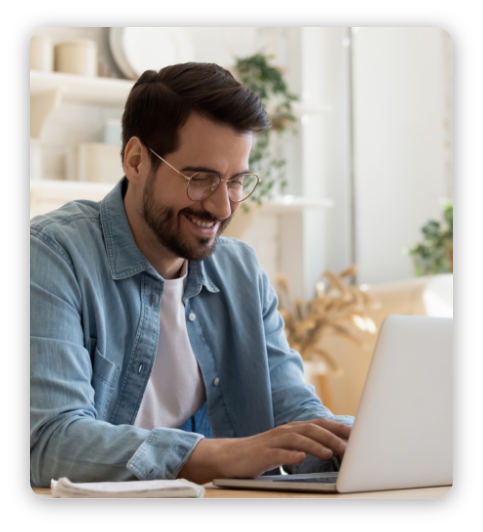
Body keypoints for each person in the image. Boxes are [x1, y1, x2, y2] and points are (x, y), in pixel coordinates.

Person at [30, 62, 354, 487]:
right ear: (136, 160)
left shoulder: (241, 271)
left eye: (236, 181)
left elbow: (292, 409)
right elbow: (51, 443)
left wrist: (353, 444)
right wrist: (219, 455)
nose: (222, 207)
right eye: (201, 179)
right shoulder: (52, 256)